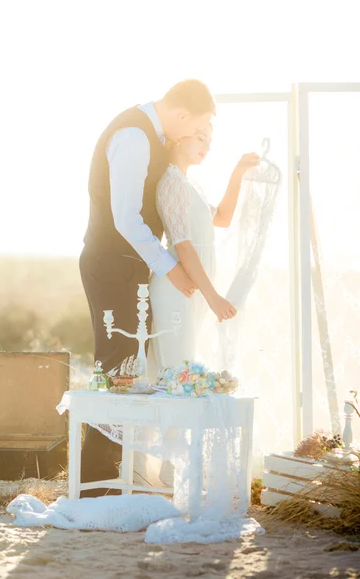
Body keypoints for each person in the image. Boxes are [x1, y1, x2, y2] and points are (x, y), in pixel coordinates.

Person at [79, 79, 216, 497]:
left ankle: (121, 473)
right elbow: (124, 217)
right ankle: (95, 484)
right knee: (117, 366)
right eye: (196, 127)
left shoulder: (151, 137)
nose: (192, 137)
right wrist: (168, 265)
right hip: (110, 262)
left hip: (130, 267)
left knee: (131, 367)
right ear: (179, 115)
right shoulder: (134, 137)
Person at [146, 124, 259, 486]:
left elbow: (222, 218)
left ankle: (172, 460)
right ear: (179, 135)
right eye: (200, 139)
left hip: (193, 290)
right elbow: (183, 245)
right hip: (178, 289)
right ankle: (168, 466)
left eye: (210, 142)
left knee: (183, 368)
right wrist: (213, 296)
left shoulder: (190, 183)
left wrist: (238, 172)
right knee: (175, 371)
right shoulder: (170, 182)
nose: (206, 147)